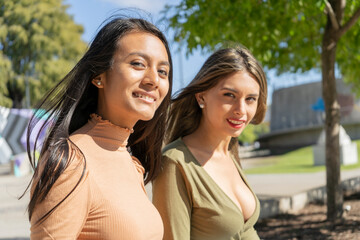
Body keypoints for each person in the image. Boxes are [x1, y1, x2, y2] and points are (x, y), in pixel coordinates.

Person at [26, 16, 173, 239]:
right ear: (98, 76)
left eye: (163, 71)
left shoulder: (132, 164)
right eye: (138, 64)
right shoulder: (71, 163)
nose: (154, 79)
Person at [152, 47, 267, 240]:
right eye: (229, 95)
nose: (241, 110)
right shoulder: (174, 162)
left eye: (250, 99)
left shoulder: (229, 151)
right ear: (201, 96)